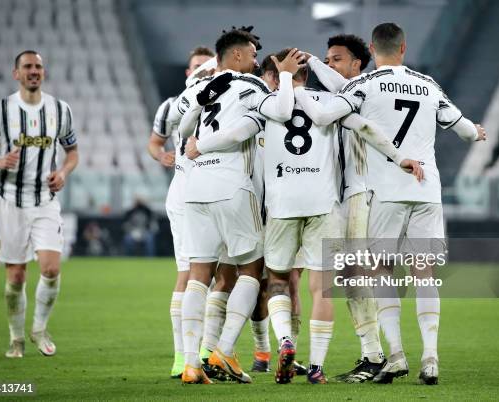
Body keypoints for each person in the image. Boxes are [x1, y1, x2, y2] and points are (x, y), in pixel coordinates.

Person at [185, 47, 422, 384]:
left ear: (273, 75)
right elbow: (366, 126)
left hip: (281, 206)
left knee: (279, 279)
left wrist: (198, 146)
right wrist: (400, 158)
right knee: (321, 287)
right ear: (307, 74)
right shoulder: (327, 103)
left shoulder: (266, 104)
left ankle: (283, 342)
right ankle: (316, 368)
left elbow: (235, 133)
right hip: (324, 204)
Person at [293, 22, 487, 385]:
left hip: (382, 191)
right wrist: (476, 131)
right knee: (423, 273)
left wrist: (300, 80)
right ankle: (430, 357)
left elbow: (324, 113)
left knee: (379, 272)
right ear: (403, 48)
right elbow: (464, 130)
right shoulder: (428, 85)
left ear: (371, 48)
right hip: (426, 189)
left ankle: (395, 354)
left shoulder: (363, 86)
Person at [177, 29, 304, 384]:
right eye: (251, 54)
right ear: (235, 56)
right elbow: (275, 112)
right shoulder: (251, 85)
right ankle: (224, 349)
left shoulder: (207, 88)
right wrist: (286, 75)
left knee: (200, 274)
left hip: (195, 187)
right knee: (253, 269)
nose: (254, 60)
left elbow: (184, 124)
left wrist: (196, 142)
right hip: (232, 184)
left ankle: (191, 364)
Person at [0, 50, 79, 358]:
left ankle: (39, 329)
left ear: (44, 72)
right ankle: (16, 338)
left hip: (45, 200)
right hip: (9, 202)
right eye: (27, 66)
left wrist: (63, 172)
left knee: (51, 268)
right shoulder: (1, 110)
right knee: (16, 276)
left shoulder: (60, 109)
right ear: (16, 73)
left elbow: (72, 153)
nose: (34, 71)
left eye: (38, 66)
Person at [307, 34, 387, 383]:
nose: (329, 64)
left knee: (356, 276)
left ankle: (376, 355)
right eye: (327, 58)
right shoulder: (343, 95)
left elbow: (340, 84)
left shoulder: (361, 89)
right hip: (345, 195)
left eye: (336, 58)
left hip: (363, 192)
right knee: (350, 276)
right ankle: (375, 353)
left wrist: (309, 61)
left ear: (357, 62)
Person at [147, 46, 215, 378]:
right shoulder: (174, 105)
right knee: (189, 273)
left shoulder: (223, 99)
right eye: (196, 67)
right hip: (187, 192)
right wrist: (160, 155)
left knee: (217, 276)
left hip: (218, 192)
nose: (201, 70)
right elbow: (154, 142)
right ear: (188, 73)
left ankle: (205, 351)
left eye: (206, 65)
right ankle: (183, 356)